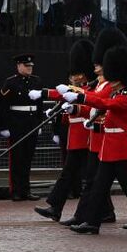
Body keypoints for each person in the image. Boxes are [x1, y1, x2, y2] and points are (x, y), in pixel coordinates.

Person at [62, 45, 127, 236]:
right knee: (99, 187)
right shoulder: (116, 93)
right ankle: (92, 222)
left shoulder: (126, 98)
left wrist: (80, 96)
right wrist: (77, 110)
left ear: (119, 76)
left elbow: (103, 103)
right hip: (109, 148)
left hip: (121, 148)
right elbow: (102, 113)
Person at [34, 40, 95, 222]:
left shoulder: (90, 88)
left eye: (78, 74)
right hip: (75, 137)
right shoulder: (80, 87)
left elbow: (82, 100)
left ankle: (58, 207)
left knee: (88, 177)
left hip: (87, 136)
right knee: (74, 174)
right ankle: (56, 207)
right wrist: (44, 93)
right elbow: (62, 93)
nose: (75, 77)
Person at [0, 53, 42, 201]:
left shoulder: (37, 81)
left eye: (30, 66)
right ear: (18, 66)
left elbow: (40, 105)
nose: (29, 68)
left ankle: (26, 189)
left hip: (31, 123)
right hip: (17, 124)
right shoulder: (11, 82)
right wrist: (4, 126)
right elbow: (3, 105)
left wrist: (39, 122)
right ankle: (15, 190)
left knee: (28, 159)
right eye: (26, 66)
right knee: (17, 159)